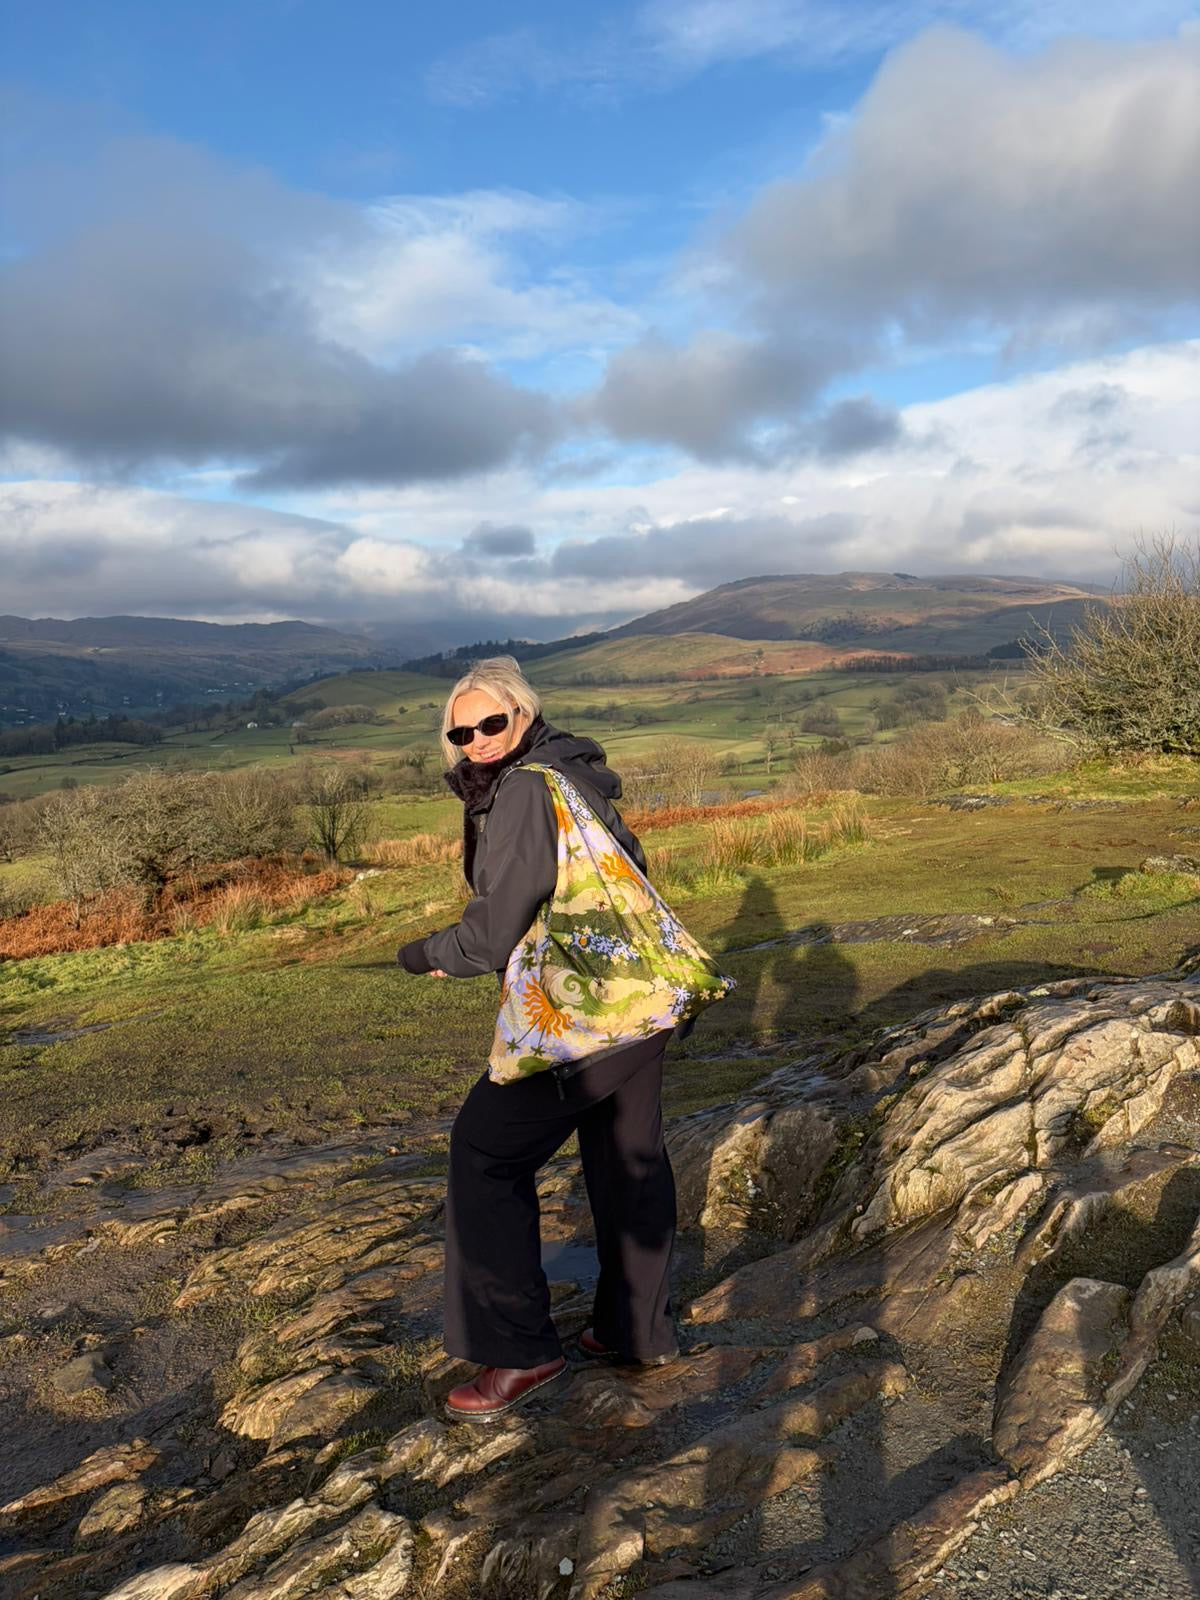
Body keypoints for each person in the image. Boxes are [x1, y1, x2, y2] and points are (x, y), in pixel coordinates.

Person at [397, 656, 679, 1422]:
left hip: (581, 1015)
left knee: (483, 1153)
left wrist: (425, 953)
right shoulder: (572, 773)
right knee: (627, 1162)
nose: (478, 741)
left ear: (524, 715)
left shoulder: (523, 789)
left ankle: (520, 1349)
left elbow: (494, 931)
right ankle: (635, 1329)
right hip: (638, 997)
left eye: (492, 723)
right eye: (462, 733)